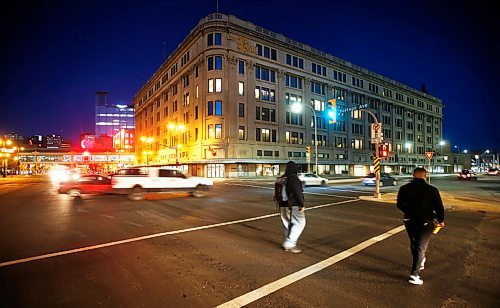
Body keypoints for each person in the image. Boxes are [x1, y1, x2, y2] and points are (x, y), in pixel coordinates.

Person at [397, 167, 445, 285]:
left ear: (413, 176)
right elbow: (439, 207)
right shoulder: (432, 190)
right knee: (421, 246)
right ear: (425, 176)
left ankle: (420, 260)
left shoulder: (404, 188)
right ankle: (414, 274)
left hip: (409, 220)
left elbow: (399, 204)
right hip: (425, 221)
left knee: (414, 243)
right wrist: (440, 220)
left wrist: (408, 211)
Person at [279, 161, 306, 253]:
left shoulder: (284, 179)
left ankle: (288, 242)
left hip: (283, 205)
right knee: (300, 223)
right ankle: (289, 243)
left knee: (289, 224)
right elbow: (298, 192)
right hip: (294, 205)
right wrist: (301, 204)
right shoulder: (294, 179)